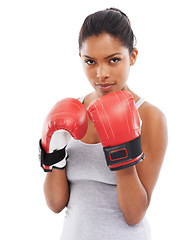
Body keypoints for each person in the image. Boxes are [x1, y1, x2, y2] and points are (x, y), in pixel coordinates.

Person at [39, 8, 168, 240]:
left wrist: (123, 148)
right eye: (91, 61)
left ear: (133, 56)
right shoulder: (69, 112)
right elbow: (55, 204)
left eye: (114, 60)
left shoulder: (150, 117)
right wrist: (54, 154)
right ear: (81, 59)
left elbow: (134, 214)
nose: (101, 74)